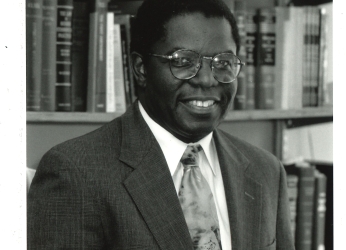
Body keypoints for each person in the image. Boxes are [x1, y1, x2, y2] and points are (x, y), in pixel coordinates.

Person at [27, 0, 295, 249]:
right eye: (183, 61)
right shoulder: (75, 172)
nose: (206, 80)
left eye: (223, 63)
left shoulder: (266, 171)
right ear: (141, 69)